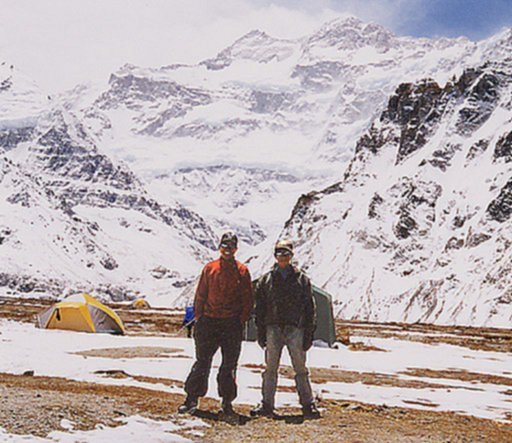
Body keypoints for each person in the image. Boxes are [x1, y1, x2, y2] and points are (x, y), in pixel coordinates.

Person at [178, 231, 253, 416]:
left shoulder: (242, 271)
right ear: (220, 247)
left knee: (229, 365)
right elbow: (200, 295)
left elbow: (248, 300)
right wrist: (200, 317)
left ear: (236, 249)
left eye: (231, 246)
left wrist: (240, 320)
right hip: (208, 322)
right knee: (202, 362)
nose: (228, 249)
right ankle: (191, 399)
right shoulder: (210, 268)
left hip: (231, 324)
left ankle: (227, 402)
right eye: (225, 246)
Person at [251, 239, 320, 419]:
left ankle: (308, 404)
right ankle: (267, 404)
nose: (283, 256)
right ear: (275, 256)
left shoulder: (302, 279)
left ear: (291, 256)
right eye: (280, 253)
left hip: (295, 329)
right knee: (270, 368)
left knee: (300, 368)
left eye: (286, 253)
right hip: (272, 328)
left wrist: (309, 332)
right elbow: (259, 307)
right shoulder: (266, 279)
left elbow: (310, 307)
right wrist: (260, 330)